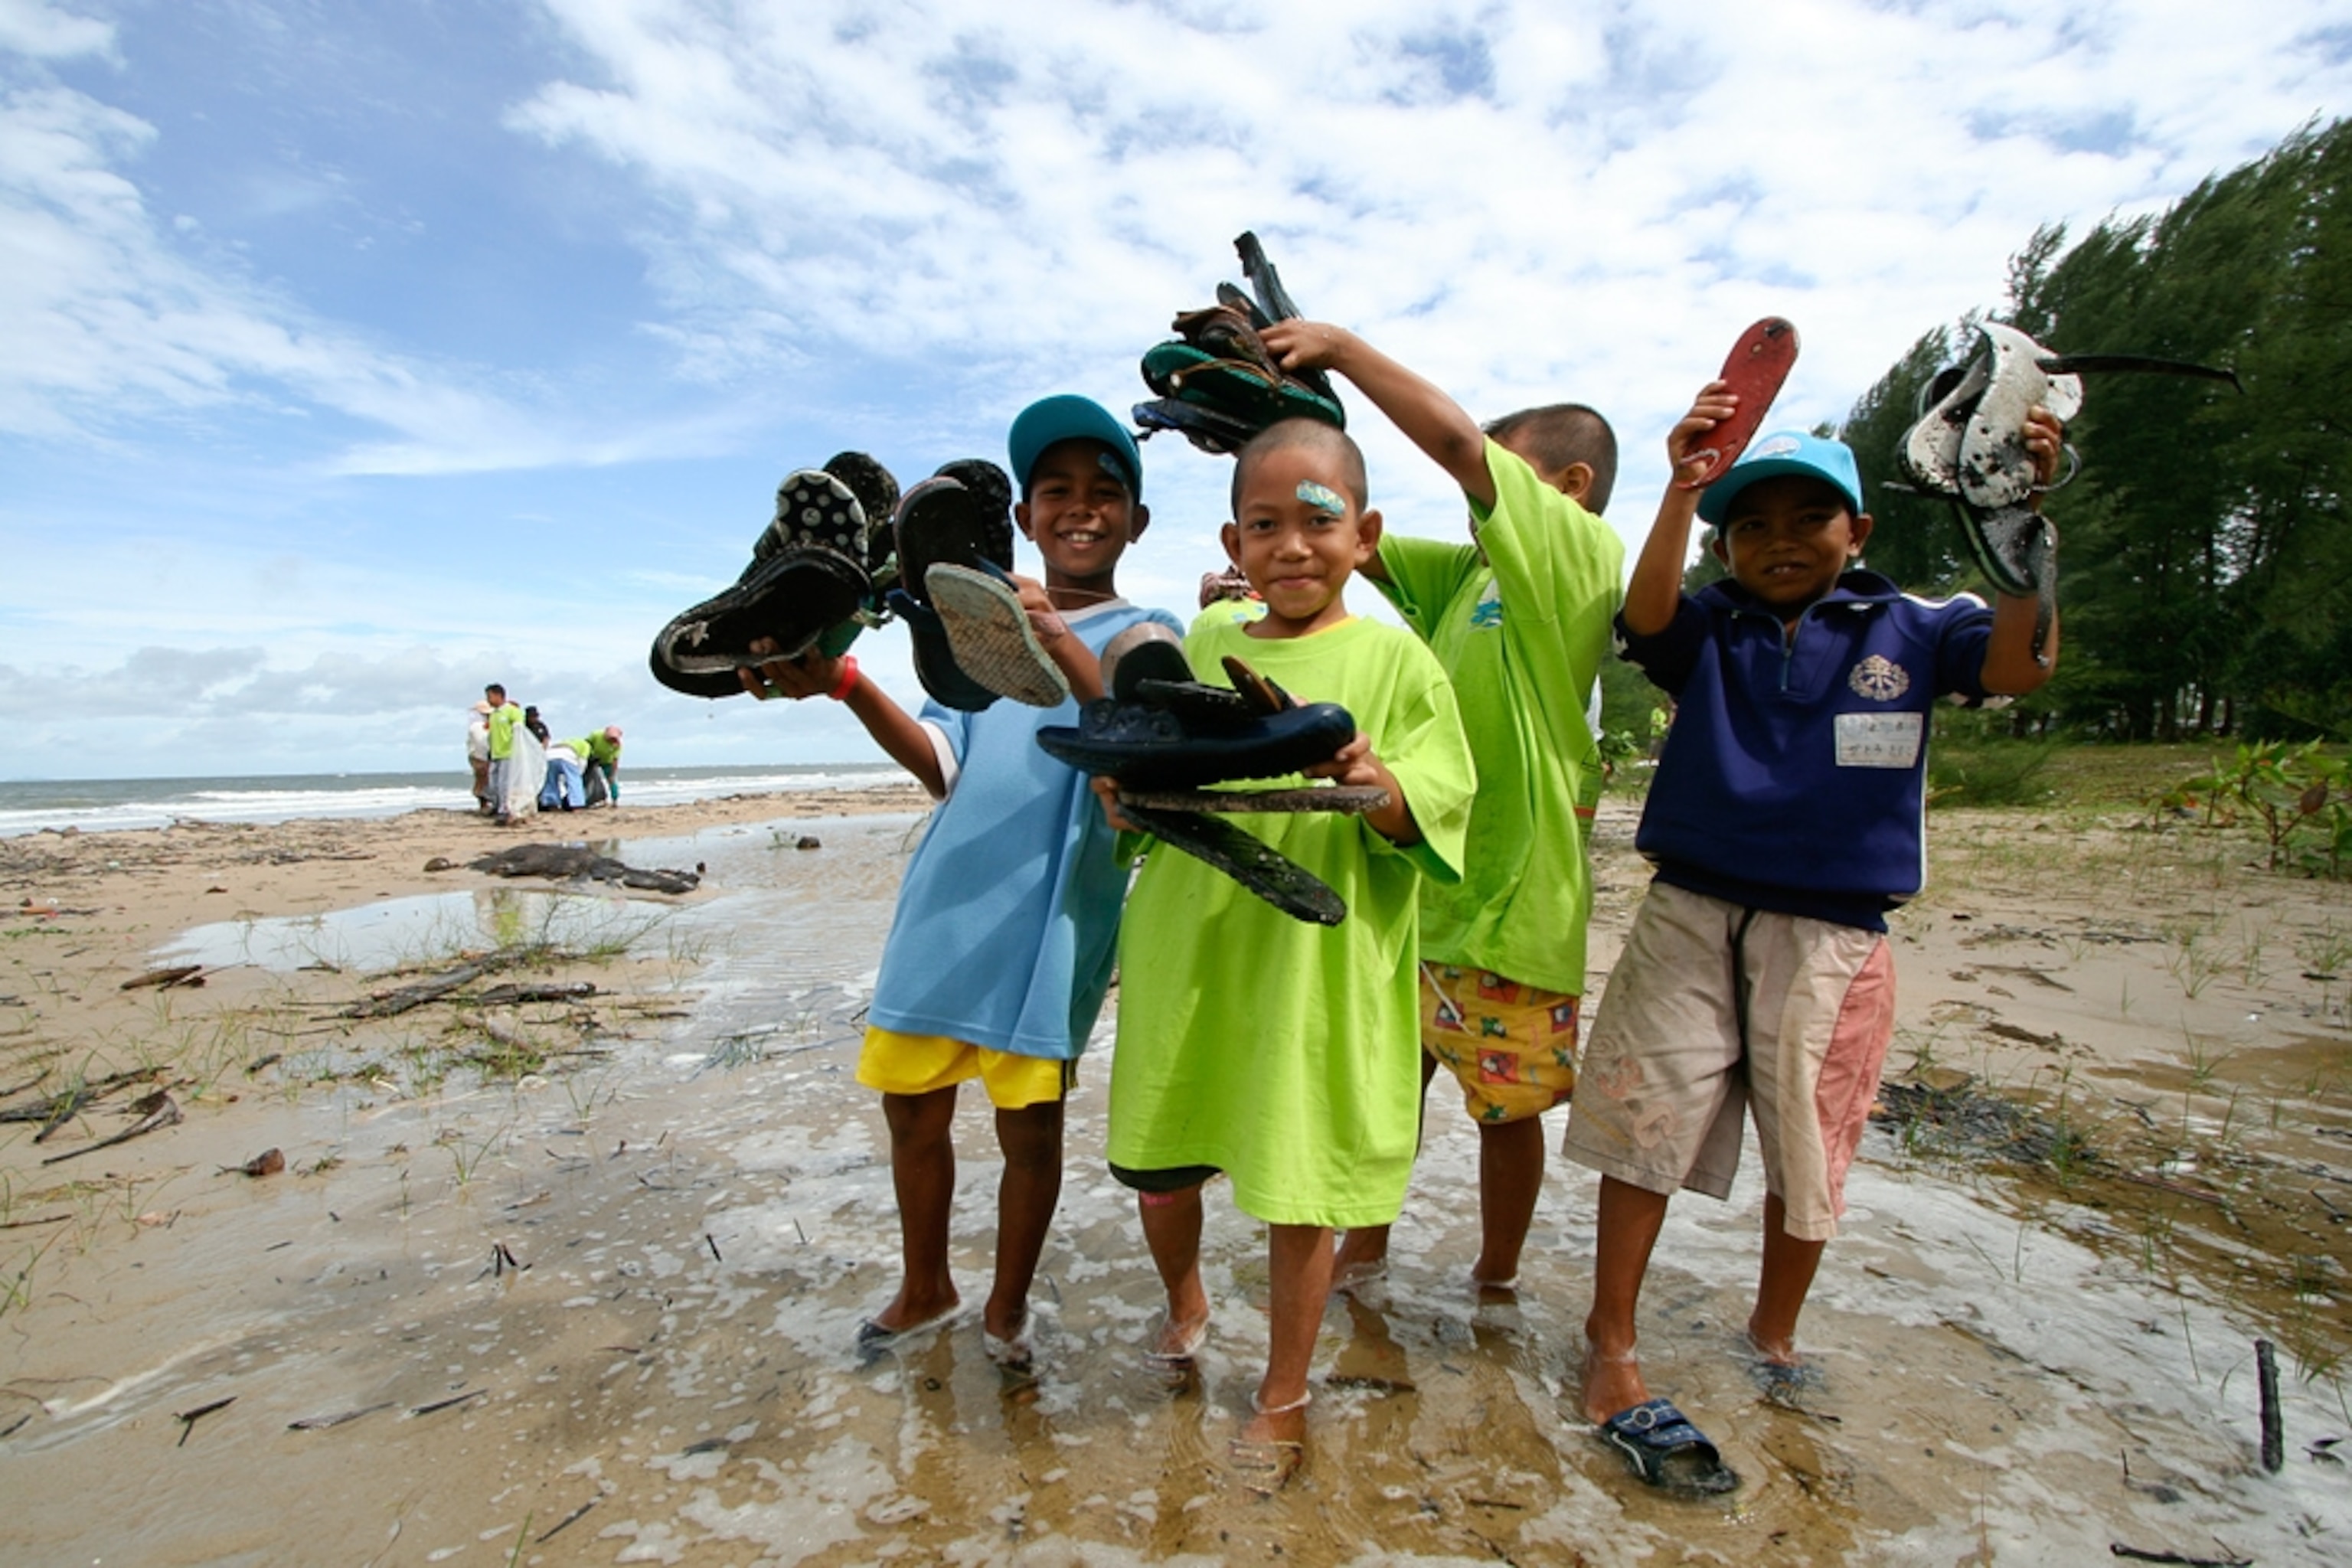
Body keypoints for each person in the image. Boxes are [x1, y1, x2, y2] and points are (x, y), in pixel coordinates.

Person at [1563, 387, 2063, 1493]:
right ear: (1723, 542)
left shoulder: (1918, 628)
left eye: (1806, 518)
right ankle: (1611, 1341)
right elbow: (1645, 618)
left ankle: (1774, 1335)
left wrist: (2023, 528)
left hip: (1836, 936)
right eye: (1750, 524)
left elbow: (2021, 667)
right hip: (1689, 910)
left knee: (1811, 1147)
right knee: (1639, 1127)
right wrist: (1683, 484)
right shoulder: (1714, 629)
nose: (1778, 542)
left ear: (1860, 531)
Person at [743, 395, 1180, 1368]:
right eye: (1055, 491)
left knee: (1030, 1127)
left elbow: (1144, 732)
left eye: (1105, 492)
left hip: (1051, 918)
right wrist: (848, 684)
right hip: (947, 903)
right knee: (912, 1113)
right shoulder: (971, 631)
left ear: (1136, 521)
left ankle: (1007, 1300)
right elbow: (943, 762)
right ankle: (925, 1282)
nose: (1081, 507)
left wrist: (1054, 638)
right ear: (1022, 519)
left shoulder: (1144, 629)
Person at [1101, 418, 1475, 1478]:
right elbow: (1144, 774)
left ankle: (1283, 1386)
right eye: (1266, 524)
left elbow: (1440, 801)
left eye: (1319, 520)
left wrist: (1380, 781)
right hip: (1192, 944)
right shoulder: (1198, 648)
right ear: (1234, 536)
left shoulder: (1395, 655)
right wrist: (1122, 795)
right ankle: (1185, 1298)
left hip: (1317, 959)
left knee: (1298, 1173)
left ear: (1366, 534)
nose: (1293, 546)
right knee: (1163, 1162)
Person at [1259, 320, 1624, 1298]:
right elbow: (1348, 542)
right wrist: (1298, 444)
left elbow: (1458, 445)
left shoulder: (1575, 561)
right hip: (1428, 883)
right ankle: (1367, 1242)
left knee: (1507, 1111)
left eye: (1502, 475)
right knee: (1395, 1083)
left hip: (1513, 904)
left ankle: (1496, 1272)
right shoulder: (1468, 575)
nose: (1475, 492)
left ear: (1571, 488)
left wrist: (1342, 349)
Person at [482, 684, 527, 826]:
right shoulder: (494, 715)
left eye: (489, 696)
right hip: (495, 753)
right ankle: (498, 806)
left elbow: (519, 730)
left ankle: (504, 810)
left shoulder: (512, 712)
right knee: (493, 784)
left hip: (508, 753)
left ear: (498, 695)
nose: (488, 700)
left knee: (504, 784)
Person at [570, 726, 624, 806]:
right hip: (592, 759)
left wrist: (613, 771)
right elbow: (586, 744)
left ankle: (615, 800)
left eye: (614, 738)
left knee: (612, 780)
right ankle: (590, 798)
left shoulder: (617, 745)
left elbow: (615, 759)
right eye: (610, 738)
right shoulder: (596, 735)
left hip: (607, 762)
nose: (611, 740)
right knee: (590, 778)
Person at [466, 701, 493, 813]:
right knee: (484, 780)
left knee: (482, 780)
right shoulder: (478, 726)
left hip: (479, 756)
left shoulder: (476, 726)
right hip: (482, 756)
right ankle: (484, 803)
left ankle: (484, 803)